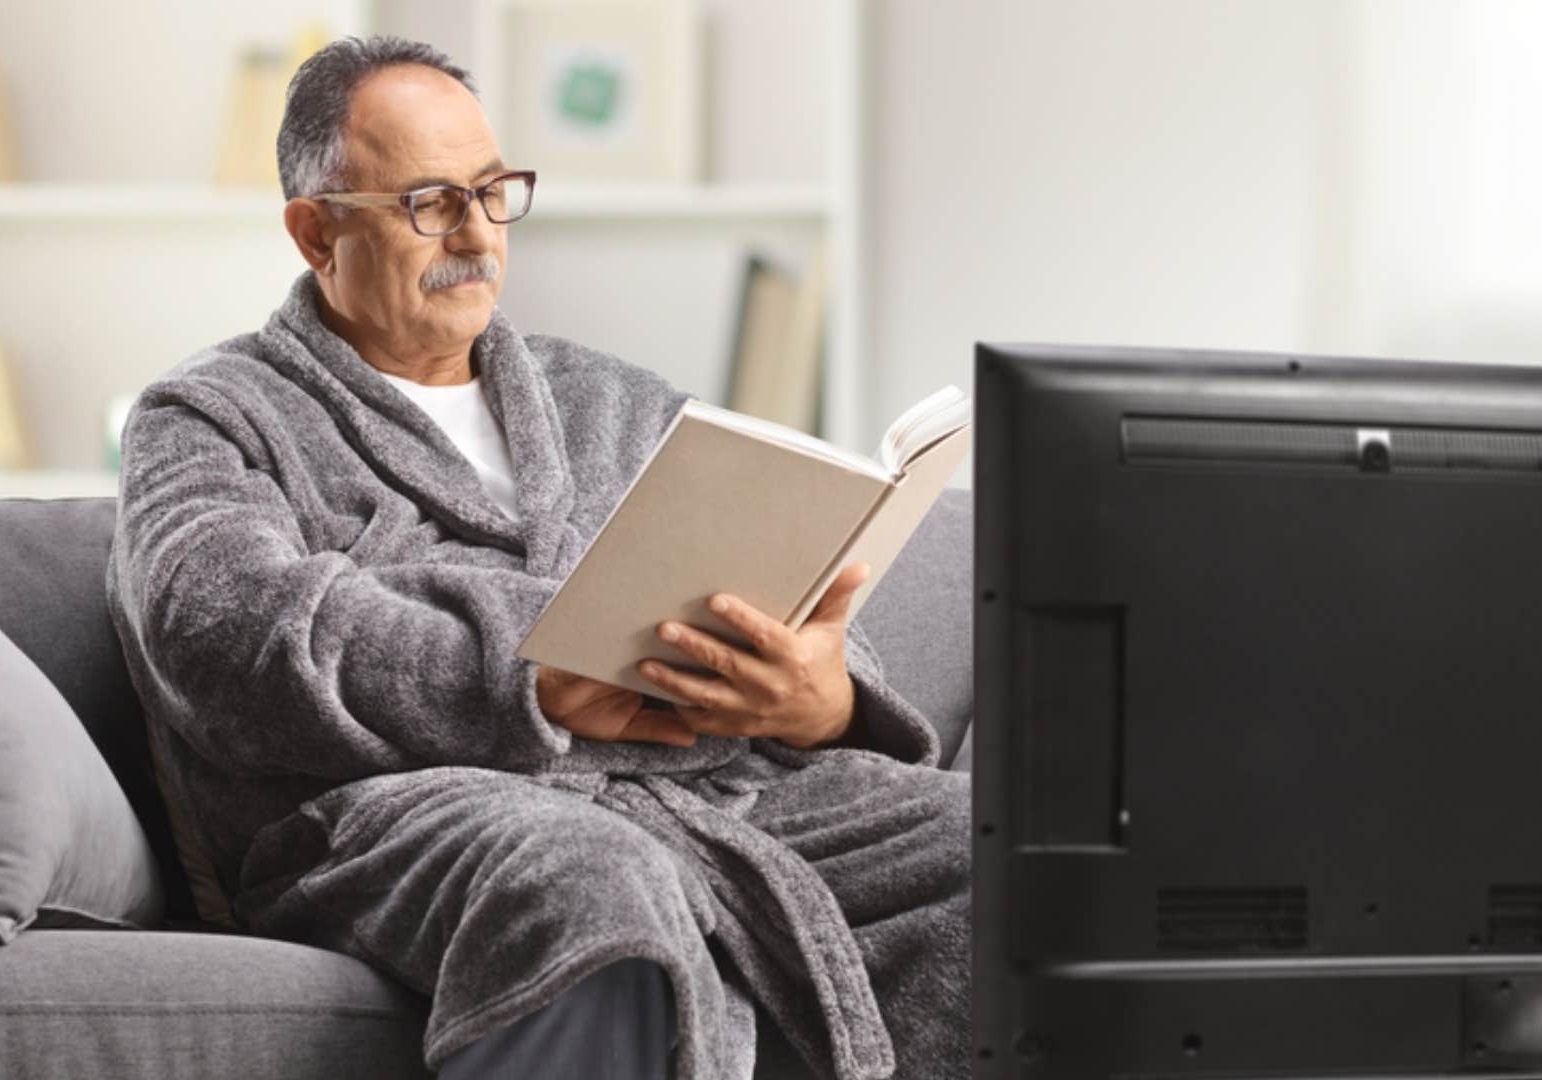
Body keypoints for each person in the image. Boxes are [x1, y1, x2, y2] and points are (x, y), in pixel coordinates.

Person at [106, 35, 969, 1080]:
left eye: (492, 191)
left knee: (1005, 844)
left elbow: (794, 622)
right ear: (315, 231)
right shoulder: (212, 416)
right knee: (589, 875)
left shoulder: (611, 400)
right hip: (394, 815)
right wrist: (531, 676)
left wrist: (820, 698)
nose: (475, 233)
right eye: (429, 202)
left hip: (712, 793)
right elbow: (221, 626)